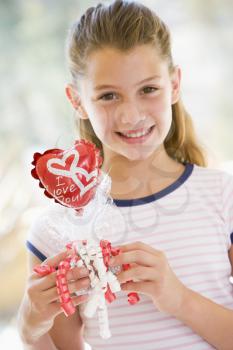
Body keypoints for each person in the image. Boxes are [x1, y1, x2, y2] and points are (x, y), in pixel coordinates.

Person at [18, 1, 233, 349]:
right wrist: (30, 325)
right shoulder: (55, 231)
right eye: (108, 96)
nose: (131, 115)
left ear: (175, 84)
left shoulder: (223, 196)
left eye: (148, 89)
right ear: (77, 101)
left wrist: (178, 299)